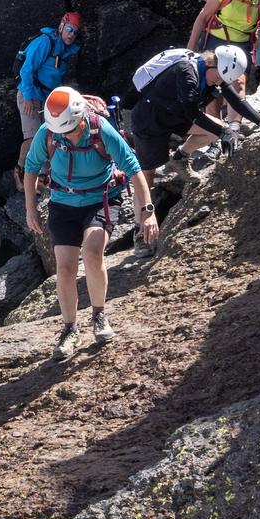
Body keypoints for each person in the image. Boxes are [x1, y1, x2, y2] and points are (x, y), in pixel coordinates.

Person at [23, 86, 158, 358]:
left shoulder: (100, 129)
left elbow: (133, 168)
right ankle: (69, 329)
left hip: (102, 199)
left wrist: (148, 211)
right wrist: (30, 209)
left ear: (81, 119)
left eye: (70, 131)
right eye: (61, 132)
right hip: (63, 203)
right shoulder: (48, 132)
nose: (66, 137)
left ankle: (99, 315)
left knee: (93, 253)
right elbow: (30, 169)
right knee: (64, 268)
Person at [128, 45, 260, 178]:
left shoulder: (216, 72)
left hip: (176, 115)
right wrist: (224, 132)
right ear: (210, 63)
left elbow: (237, 101)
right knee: (148, 174)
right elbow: (192, 113)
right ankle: (143, 204)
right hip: (150, 120)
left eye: (223, 79)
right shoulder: (187, 72)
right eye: (219, 76)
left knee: (213, 130)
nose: (220, 81)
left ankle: (179, 158)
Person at [15, 11, 84, 193]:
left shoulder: (66, 49)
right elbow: (26, 70)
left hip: (48, 99)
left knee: (50, 136)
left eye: (75, 32)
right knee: (32, 136)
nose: (72, 34)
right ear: (61, 26)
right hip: (30, 94)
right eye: (69, 29)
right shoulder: (45, 42)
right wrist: (29, 96)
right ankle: (20, 172)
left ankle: (44, 178)